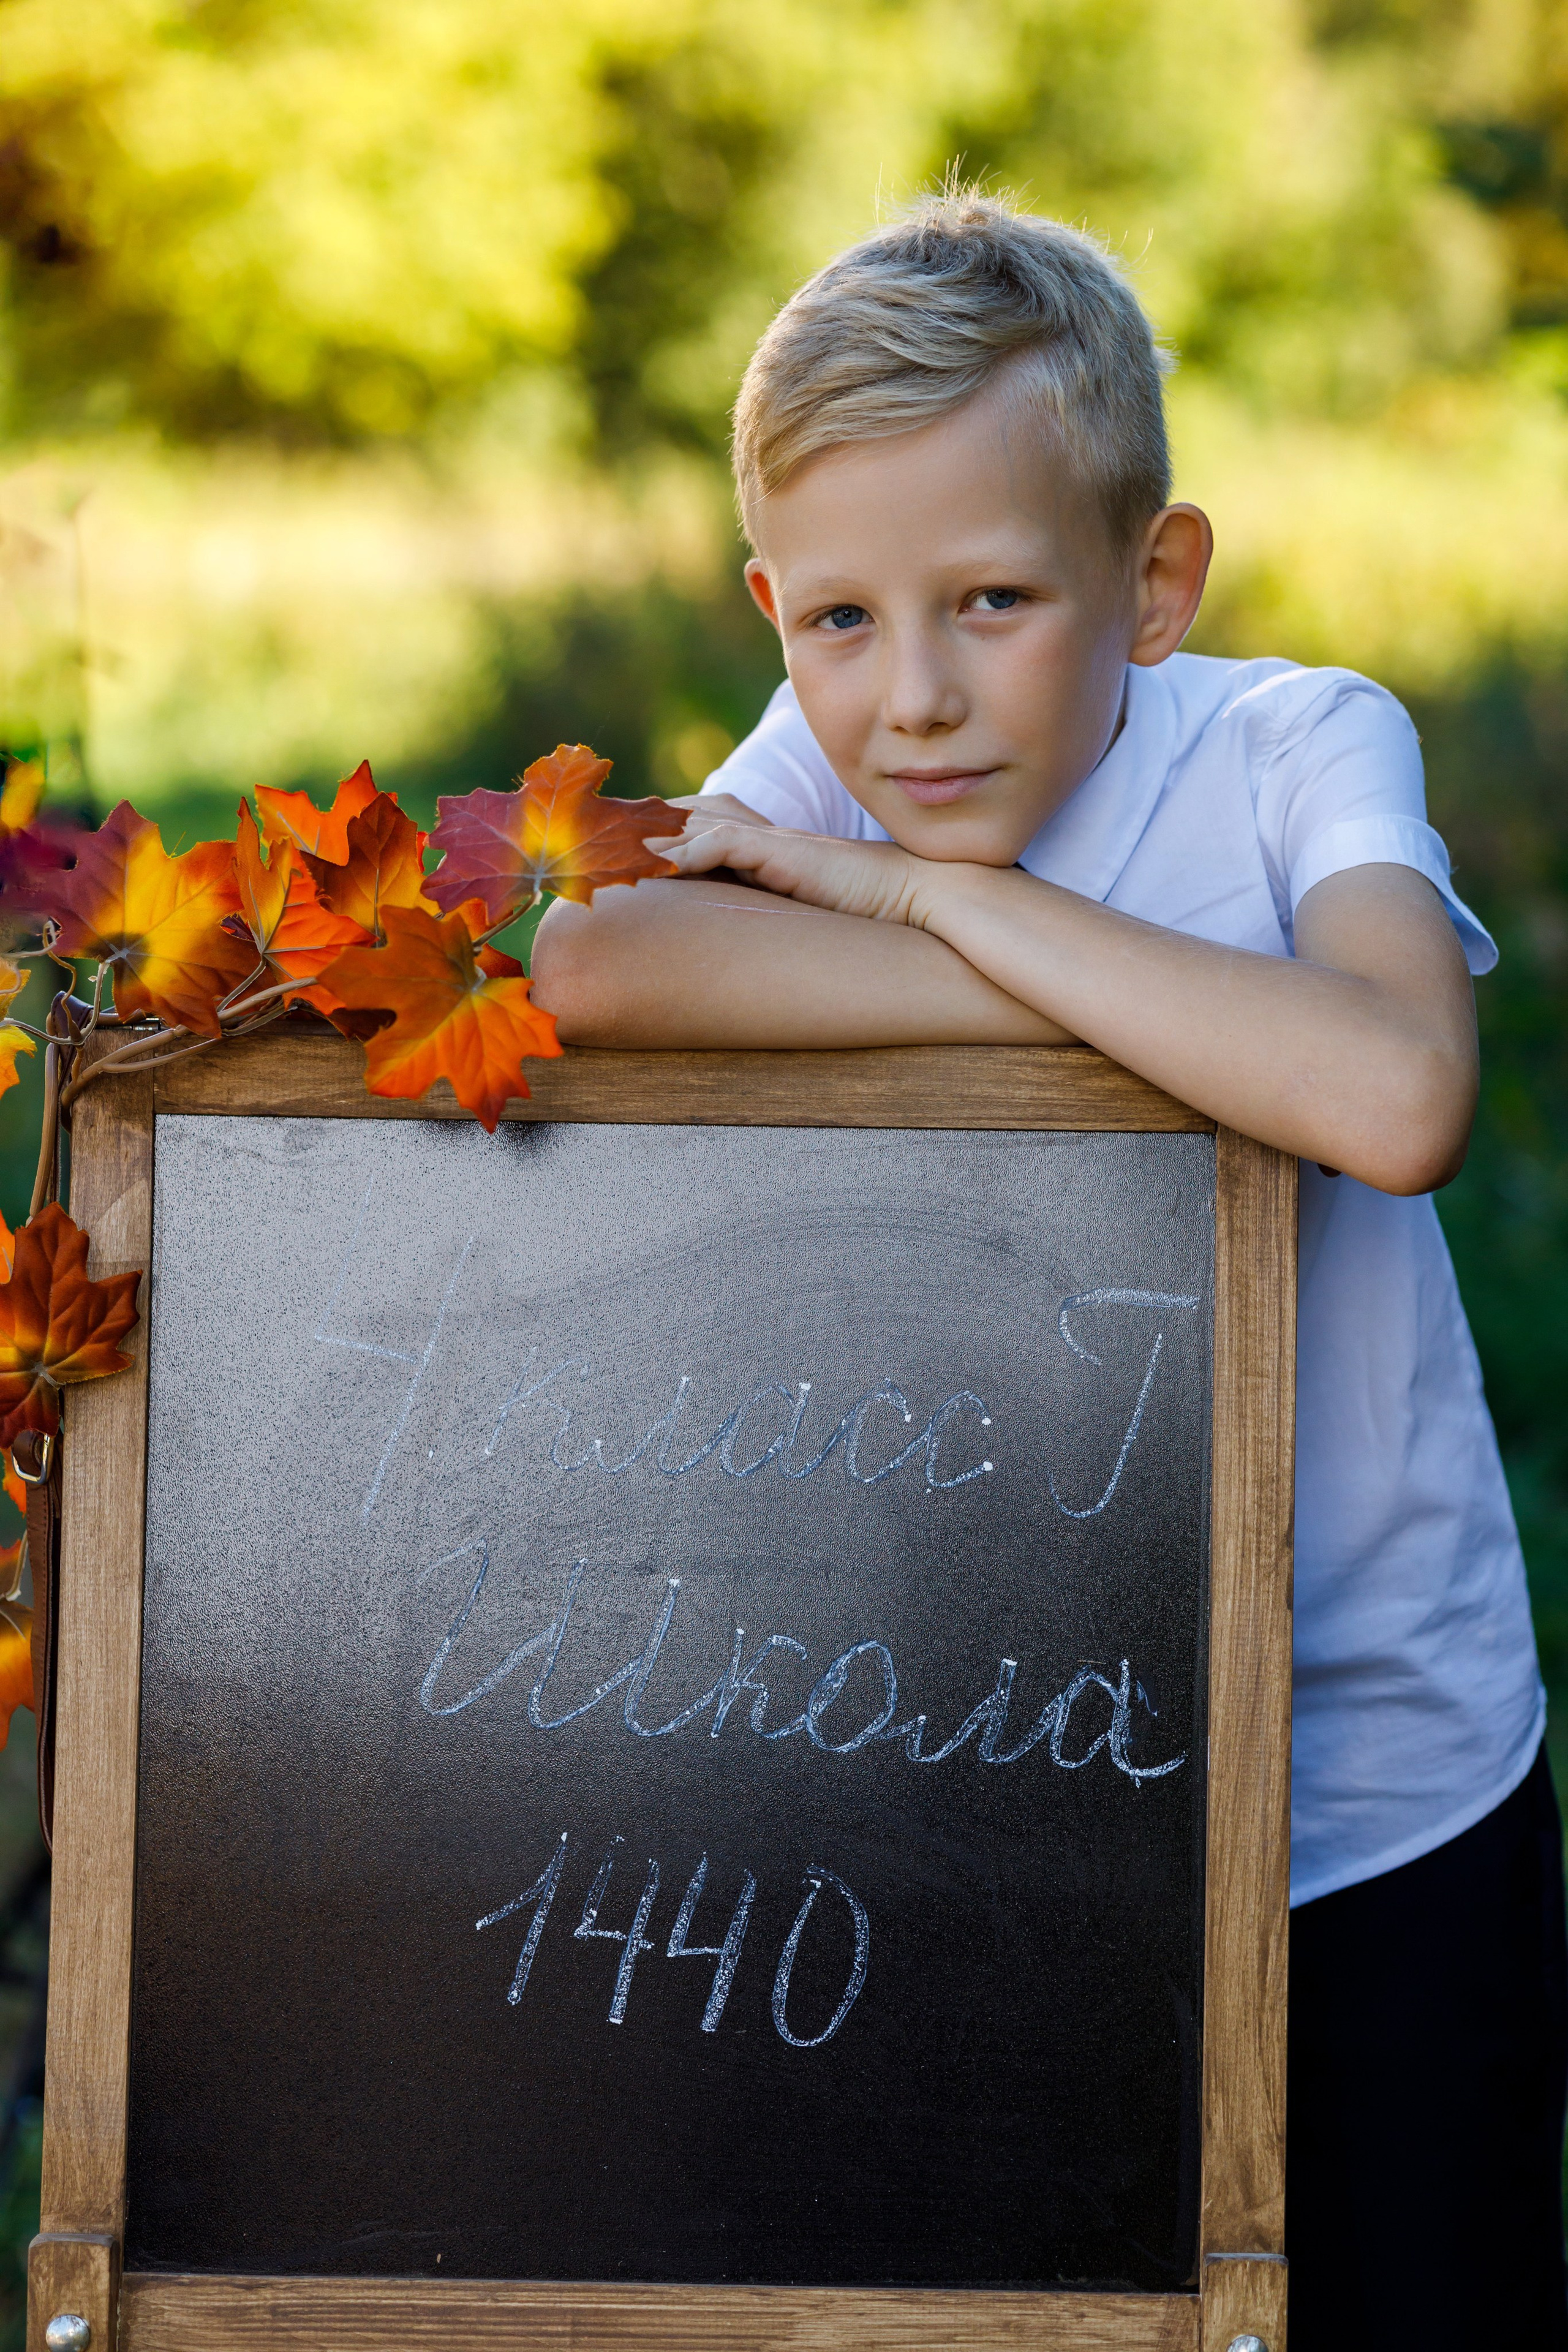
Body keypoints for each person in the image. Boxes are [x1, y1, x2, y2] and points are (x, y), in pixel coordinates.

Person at [530, 189, 1567, 2346]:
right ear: (775, 612)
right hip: (1000, 1799)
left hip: (1376, 1806)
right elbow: (592, 959)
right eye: (838, 619)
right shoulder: (831, 752)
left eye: (995, 600)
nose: (913, 700)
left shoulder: (1298, 749)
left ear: (1154, 581)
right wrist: (1161, 1023)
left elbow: (1392, 1093)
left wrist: (930, 910)